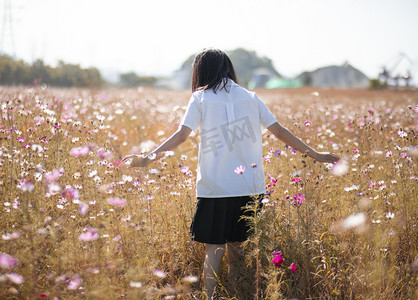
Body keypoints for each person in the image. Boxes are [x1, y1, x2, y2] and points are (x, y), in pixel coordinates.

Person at [122, 48, 340, 299]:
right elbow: (279, 131)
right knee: (238, 251)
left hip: (215, 187)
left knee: (213, 250)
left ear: (201, 71)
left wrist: (147, 159)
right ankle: (237, 293)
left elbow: (182, 135)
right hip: (250, 186)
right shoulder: (250, 96)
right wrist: (316, 154)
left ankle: (210, 296)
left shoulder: (200, 98)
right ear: (228, 68)